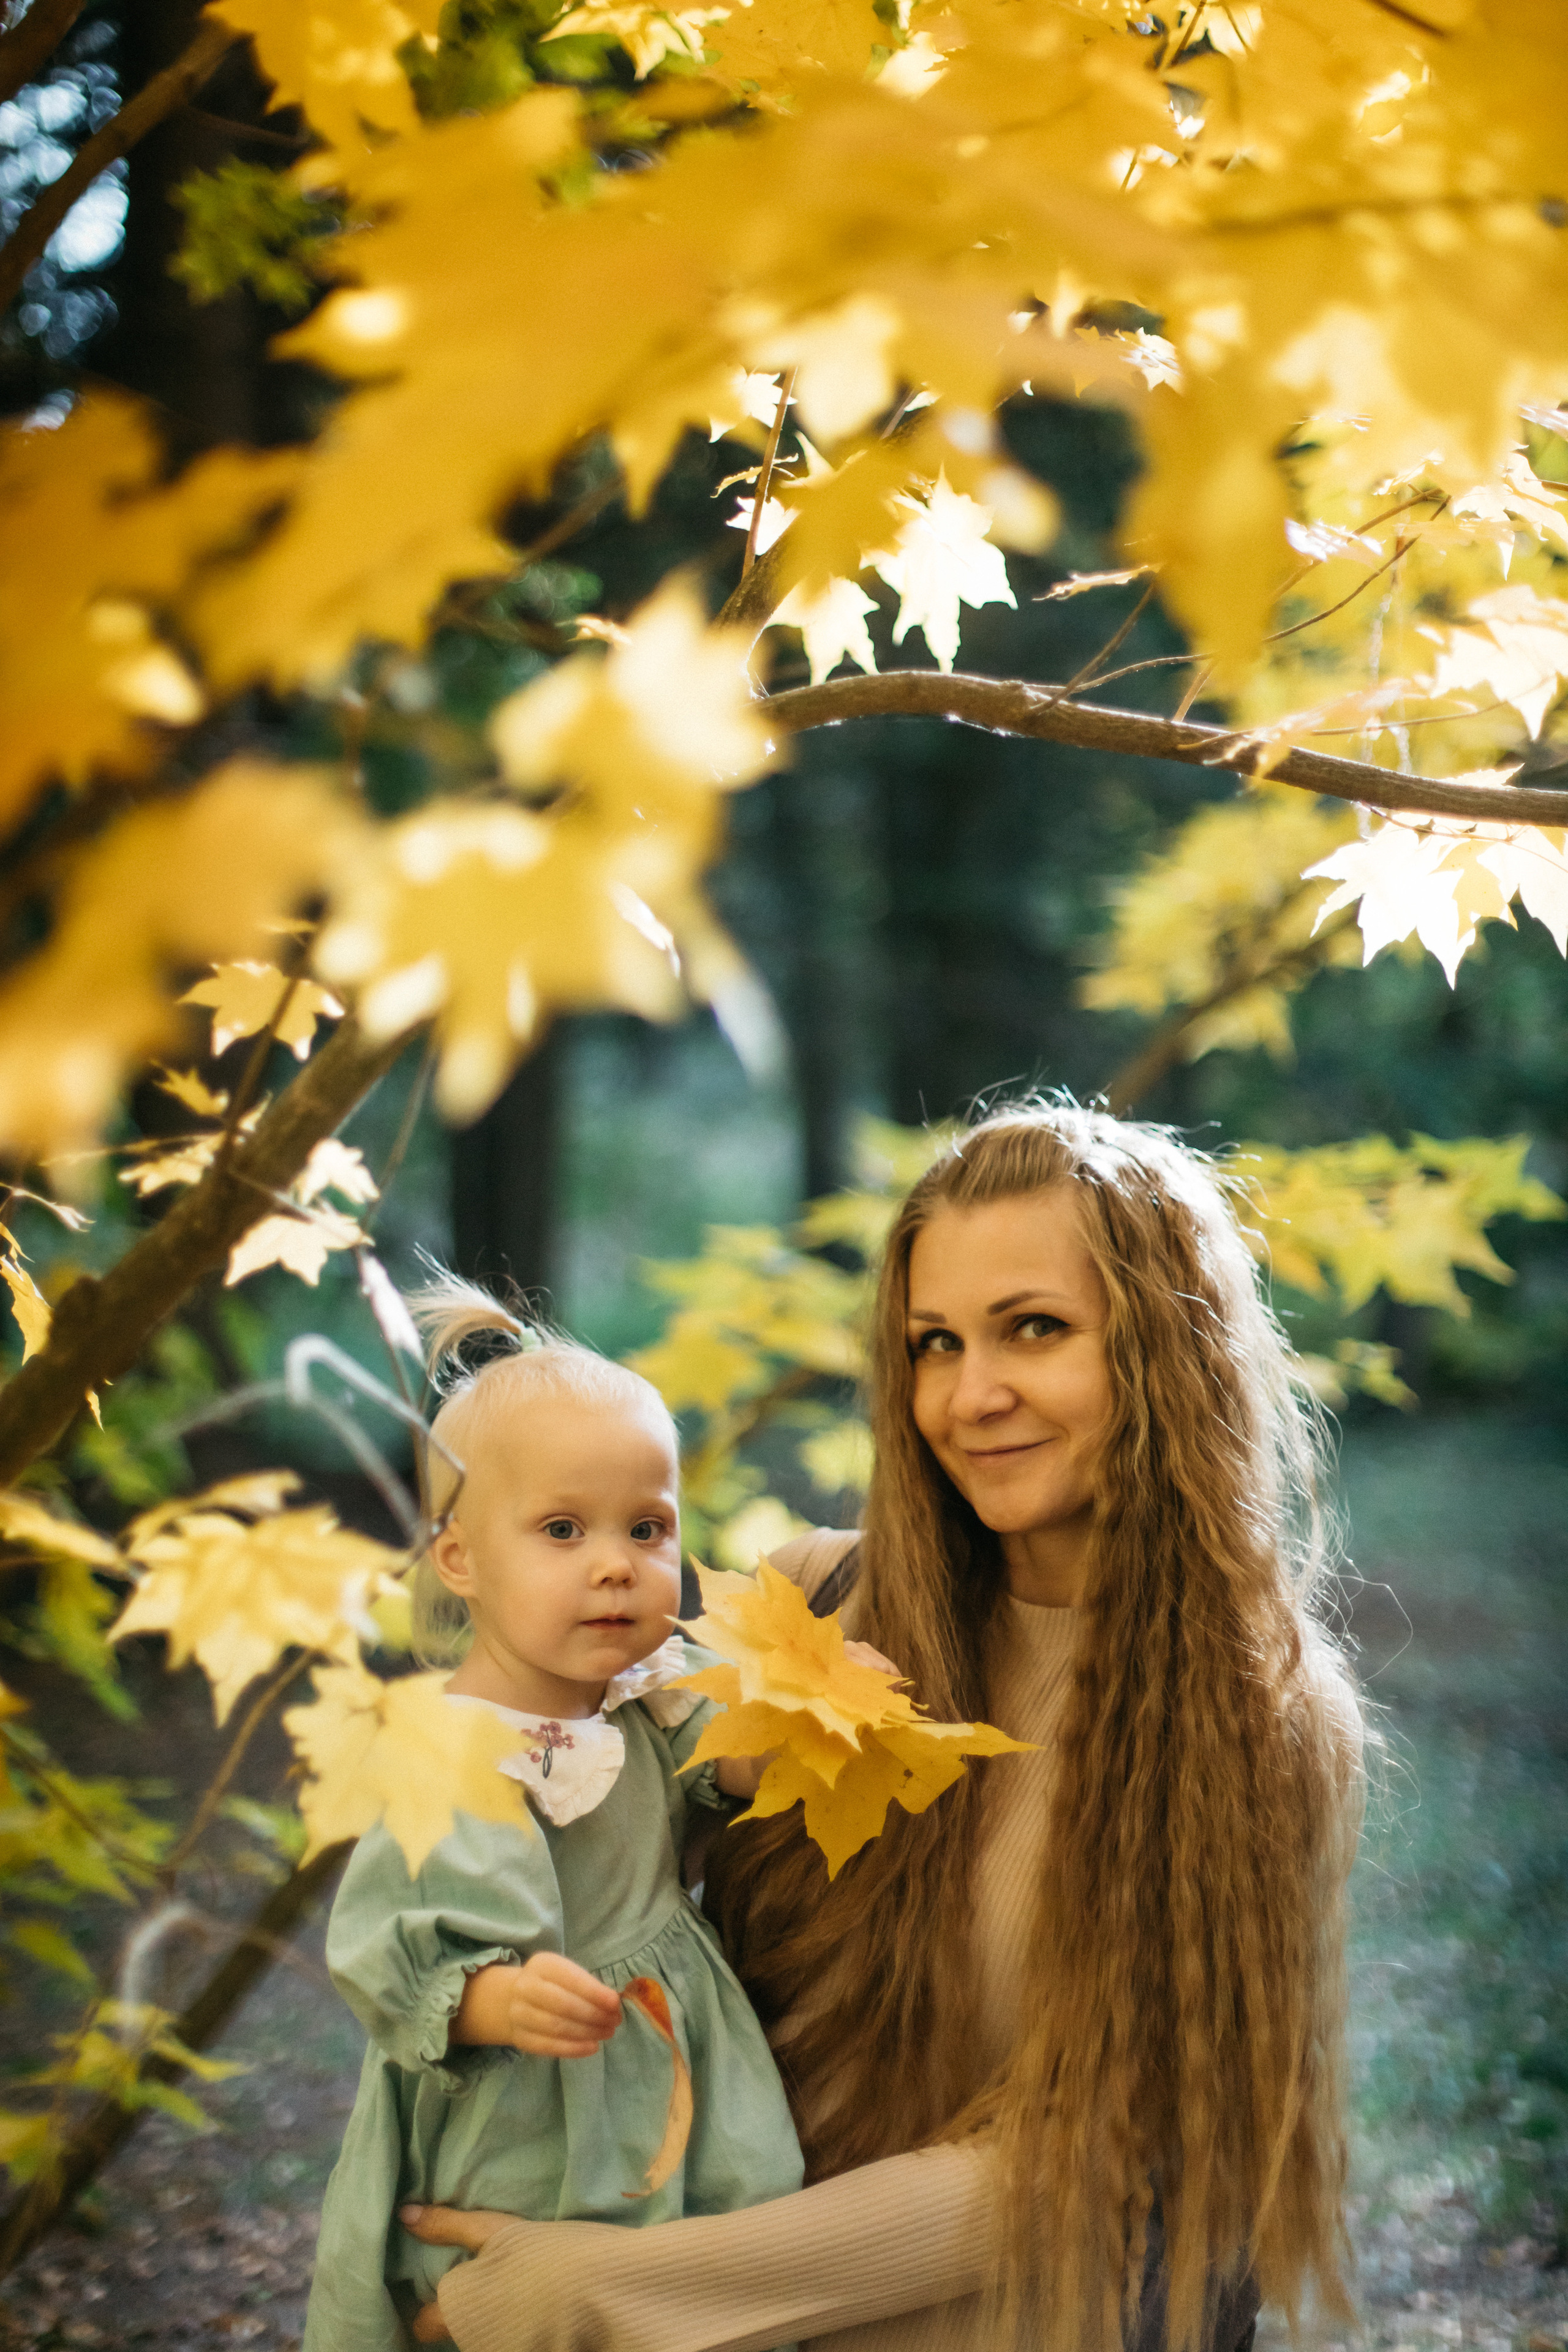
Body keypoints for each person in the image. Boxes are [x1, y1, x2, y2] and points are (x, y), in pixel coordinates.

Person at [401, 1103, 1368, 2352]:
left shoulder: (1260, 1724)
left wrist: (599, 2293)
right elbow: (566, 1858)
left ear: (1161, 1350)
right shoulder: (816, 1602)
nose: (970, 1396)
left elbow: (1077, 2164)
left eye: (1034, 1329)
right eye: (932, 1343)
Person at [303, 1276, 813, 2352]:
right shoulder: (454, 1752)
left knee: (700, 2249)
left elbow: (704, 1772)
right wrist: (490, 1998)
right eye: (563, 1529)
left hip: (670, 2046)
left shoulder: (641, 1696)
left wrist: (769, 1750)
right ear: (460, 1557)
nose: (616, 1564)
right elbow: (385, 1951)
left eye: (648, 1527)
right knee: (533, 2280)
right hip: (528, 2093)